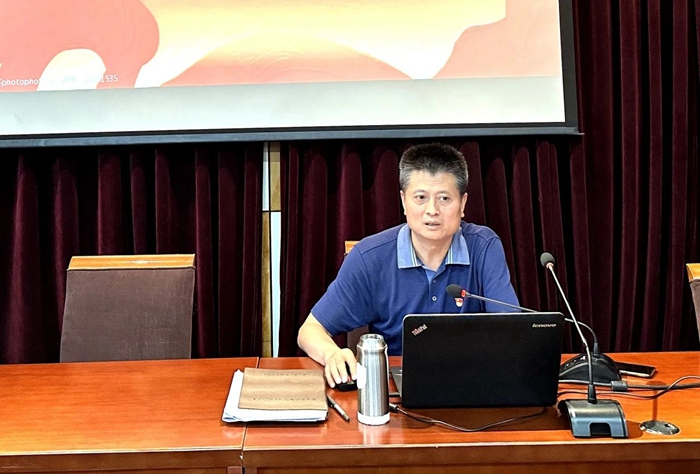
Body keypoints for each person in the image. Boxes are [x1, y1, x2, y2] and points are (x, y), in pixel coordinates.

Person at [297, 143, 520, 387]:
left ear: (463, 203)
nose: (432, 210)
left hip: (472, 381)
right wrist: (332, 354)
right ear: (404, 201)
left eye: (444, 198)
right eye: (421, 198)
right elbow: (310, 330)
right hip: (393, 389)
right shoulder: (369, 257)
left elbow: (511, 332)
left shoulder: (484, 247)